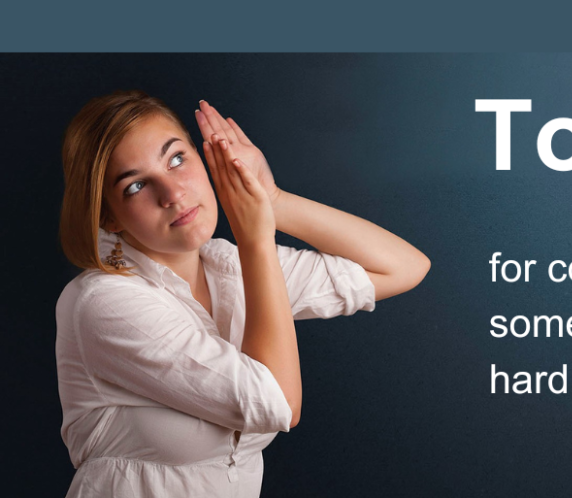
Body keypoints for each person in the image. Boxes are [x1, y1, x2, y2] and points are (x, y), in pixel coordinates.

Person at [55, 90, 430, 497]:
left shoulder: (228, 265)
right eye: (136, 185)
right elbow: (279, 404)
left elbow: (404, 266)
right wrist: (257, 239)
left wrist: (273, 201)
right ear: (107, 214)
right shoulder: (105, 303)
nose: (173, 194)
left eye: (177, 159)